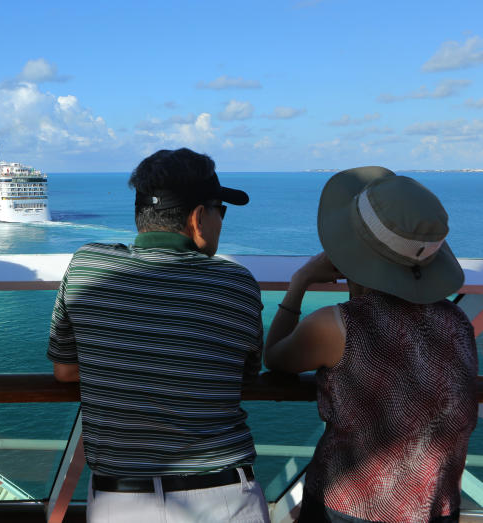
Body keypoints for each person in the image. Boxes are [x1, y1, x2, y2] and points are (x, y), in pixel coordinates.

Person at [48, 148, 270, 522]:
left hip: (121, 502)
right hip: (226, 500)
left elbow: (66, 371)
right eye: (221, 209)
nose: (222, 220)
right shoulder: (237, 285)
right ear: (199, 218)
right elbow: (242, 375)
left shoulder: (87, 266)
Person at [264, 167, 477, 523]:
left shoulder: (339, 324)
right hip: (436, 509)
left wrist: (300, 281)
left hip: (346, 510)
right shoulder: (457, 323)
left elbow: (275, 358)